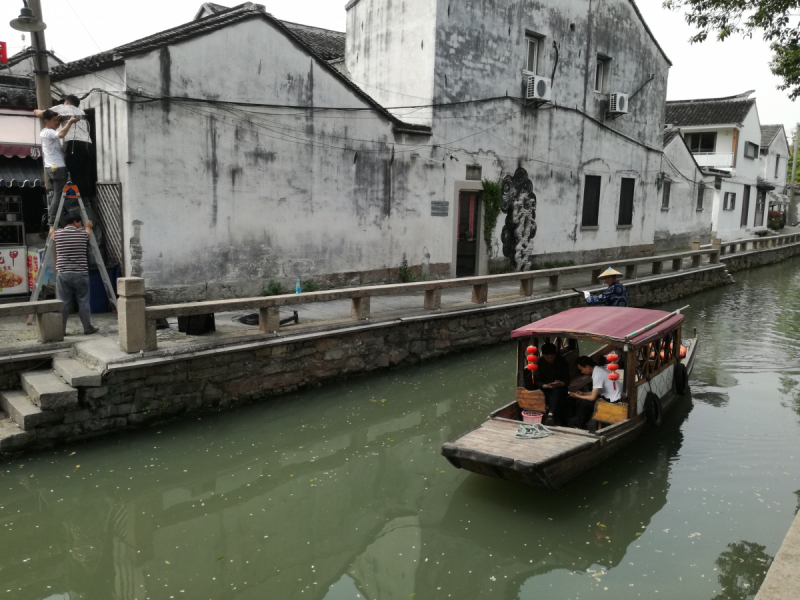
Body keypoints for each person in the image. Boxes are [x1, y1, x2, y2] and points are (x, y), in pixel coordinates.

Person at [35, 96, 93, 203]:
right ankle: (88, 200)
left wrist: (35, 110)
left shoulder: (62, 107)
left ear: (66, 102)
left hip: (74, 143)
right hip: (88, 144)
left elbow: (41, 114)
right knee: (85, 173)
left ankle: (83, 199)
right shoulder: (81, 111)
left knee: (74, 171)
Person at [52, 213, 99, 336]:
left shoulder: (58, 234)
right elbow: (88, 231)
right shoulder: (82, 234)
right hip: (81, 273)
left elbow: (51, 233)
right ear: (75, 222)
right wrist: (88, 226)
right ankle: (88, 328)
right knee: (83, 301)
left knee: (63, 302)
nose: (80, 225)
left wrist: (51, 225)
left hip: (63, 274)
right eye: (79, 223)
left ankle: (61, 330)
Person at [39, 109, 79, 235]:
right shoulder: (48, 132)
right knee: (58, 195)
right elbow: (61, 134)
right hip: (58, 168)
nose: (57, 122)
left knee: (58, 195)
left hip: (52, 168)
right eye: (55, 120)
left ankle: (55, 220)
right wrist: (70, 122)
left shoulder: (46, 132)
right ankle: (52, 222)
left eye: (58, 120)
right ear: (46, 121)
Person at [568, 356, 622, 429]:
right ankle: (581, 423)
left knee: (584, 403)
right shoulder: (599, 370)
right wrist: (583, 394)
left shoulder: (597, 375)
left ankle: (580, 426)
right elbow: (595, 392)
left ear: (587, 367)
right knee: (583, 400)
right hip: (611, 396)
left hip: (613, 400)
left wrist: (577, 396)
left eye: (581, 369)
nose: (582, 372)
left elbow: (593, 397)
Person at [534, 342, 572, 426]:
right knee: (559, 400)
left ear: (555, 354)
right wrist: (547, 386)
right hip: (545, 390)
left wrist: (561, 383)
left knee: (557, 392)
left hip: (561, 388)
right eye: (548, 357)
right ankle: (560, 421)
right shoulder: (539, 363)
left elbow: (567, 379)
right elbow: (538, 382)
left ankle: (550, 415)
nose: (550, 359)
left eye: (552, 357)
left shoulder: (561, 360)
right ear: (543, 355)